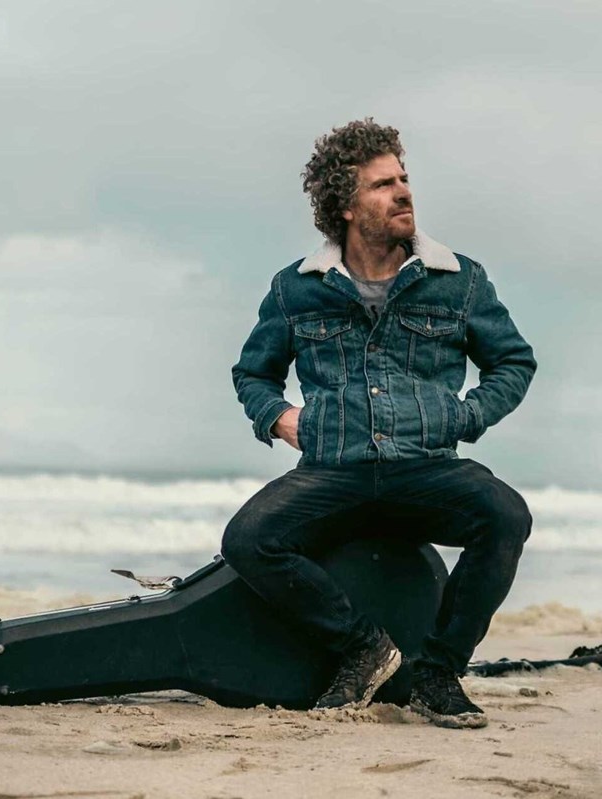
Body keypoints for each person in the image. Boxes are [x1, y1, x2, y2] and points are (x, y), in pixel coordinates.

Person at [222, 119, 536, 729]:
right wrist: (280, 418)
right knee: (248, 540)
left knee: (505, 516)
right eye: (382, 185)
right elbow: (253, 374)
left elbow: (513, 362)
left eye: (404, 179)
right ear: (345, 205)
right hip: (333, 471)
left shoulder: (459, 280)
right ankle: (364, 650)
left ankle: (439, 673)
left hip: (426, 469)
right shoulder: (295, 288)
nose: (403, 192)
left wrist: (468, 415)